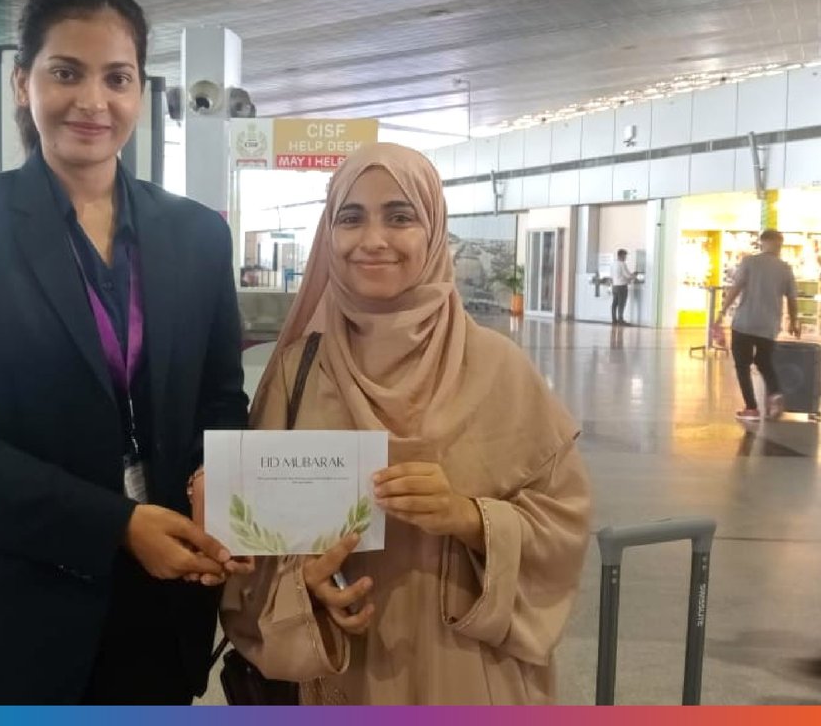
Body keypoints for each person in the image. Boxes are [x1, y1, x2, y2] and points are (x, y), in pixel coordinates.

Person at [0, 0, 249, 704]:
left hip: (158, 606)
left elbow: (220, 402)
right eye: (65, 72)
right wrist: (116, 524)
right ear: (23, 83)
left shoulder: (196, 237)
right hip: (5, 614)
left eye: (117, 77)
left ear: (141, 92)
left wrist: (223, 489)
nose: (92, 101)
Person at [219, 143, 591, 705]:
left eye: (400, 216)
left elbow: (563, 528)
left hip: (470, 673)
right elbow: (251, 553)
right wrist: (306, 589)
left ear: (434, 229)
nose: (373, 239)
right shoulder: (298, 372)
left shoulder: (498, 368)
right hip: (342, 672)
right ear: (329, 235)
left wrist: (469, 518)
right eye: (351, 218)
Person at [719, 229, 800, 422]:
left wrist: (721, 312)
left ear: (762, 242)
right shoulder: (785, 268)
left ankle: (751, 408)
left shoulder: (750, 262)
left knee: (742, 365)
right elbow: (792, 298)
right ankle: (776, 393)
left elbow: (736, 288)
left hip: (744, 323)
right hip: (769, 325)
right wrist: (794, 321)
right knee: (764, 362)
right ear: (779, 244)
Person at [611, 248, 636, 325]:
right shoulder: (622, 264)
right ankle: (620, 320)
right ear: (621, 255)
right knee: (621, 303)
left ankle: (614, 320)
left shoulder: (613, 264)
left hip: (614, 286)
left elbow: (612, 275)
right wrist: (633, 276)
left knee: (615, 303)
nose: (626, 258)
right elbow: (627, 275)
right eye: (625, 256)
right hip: (622, 287)